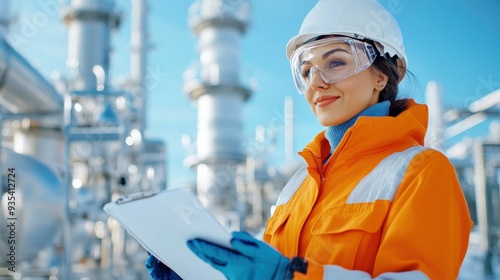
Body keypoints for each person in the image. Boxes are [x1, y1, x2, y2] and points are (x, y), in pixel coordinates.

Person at [147, 0, 474, 279]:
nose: (316, 83)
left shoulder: (421, 173)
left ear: (381, 75)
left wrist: (290, 275)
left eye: (335, 62)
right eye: (305, 71)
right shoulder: (299, 183)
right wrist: (205, 272)